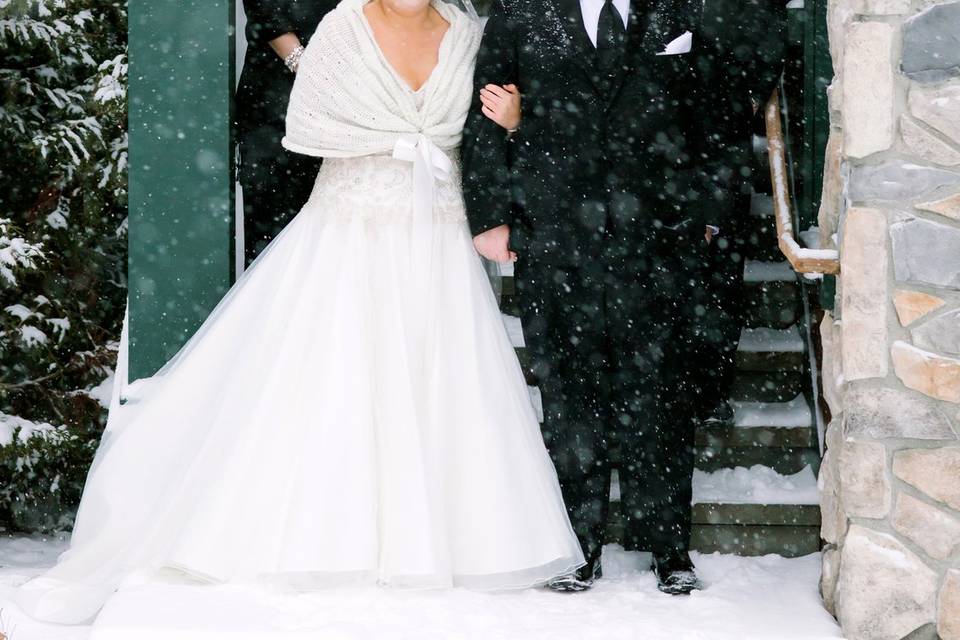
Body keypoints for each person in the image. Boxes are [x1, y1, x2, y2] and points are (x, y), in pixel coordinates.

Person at [5, 0, 583, 625]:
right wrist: (389, 142)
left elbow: (483, 131)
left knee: (441, 381)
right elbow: (309, 123)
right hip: (350, 232)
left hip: (439, 238)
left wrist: (510, 131)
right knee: (338, 377)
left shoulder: (469, 33)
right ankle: (328, 534)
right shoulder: (344, 26)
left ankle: (446, 539)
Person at [462, 0, 786, 595]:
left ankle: (668, 548)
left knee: (661, 390)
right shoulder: (519, 14)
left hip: (659, 234)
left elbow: (712, 117)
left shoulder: (680, 9)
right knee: (567, 392)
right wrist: (490, 214)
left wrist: (711, 211)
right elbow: (484, 118)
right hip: (556, 228)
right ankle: (574, 548)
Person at [236, 0, 338, 265]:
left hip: (351, 107)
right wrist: (306, 67)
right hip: (275, 107)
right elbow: (265, 8)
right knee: (273, 248)